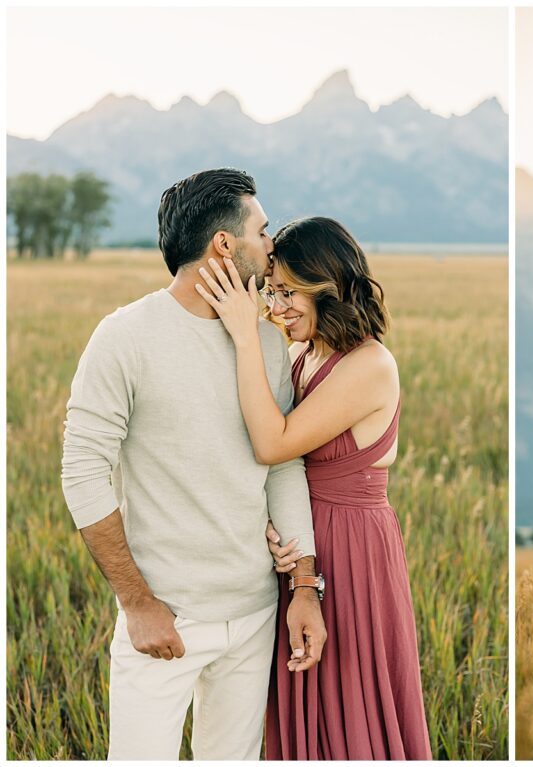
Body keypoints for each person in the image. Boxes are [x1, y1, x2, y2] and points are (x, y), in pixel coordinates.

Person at [60, 168, 326, 760]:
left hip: (256, 613)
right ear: (224, 245)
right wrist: (137, 604)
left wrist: (302, 587)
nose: (271, 245)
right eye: (261, 232)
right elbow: (82, 471)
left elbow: (282, 465)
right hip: (166, 618)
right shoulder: (124, 336)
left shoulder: (266, 344)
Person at [195, 216, 432, 759]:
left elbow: (273, 445)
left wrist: (243, 334)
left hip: (350, 549)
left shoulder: (370, 364)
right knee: (303, 704)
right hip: (299, 548)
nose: (275, 309)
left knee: (350, 702)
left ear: (328, 284)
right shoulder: (302, 354)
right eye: (270, 292)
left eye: (288, 292)